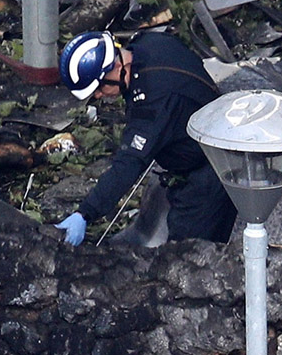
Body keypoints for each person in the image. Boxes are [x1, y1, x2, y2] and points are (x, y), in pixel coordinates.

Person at [54, 30, 237, 246]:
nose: (98, 96)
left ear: (117, 67)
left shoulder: (153, 104)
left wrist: (85, 213)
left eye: (100, 87)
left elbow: (127, 165)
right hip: (205, 130)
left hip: (210, 171)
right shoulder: (149, 42)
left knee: (187, 254)